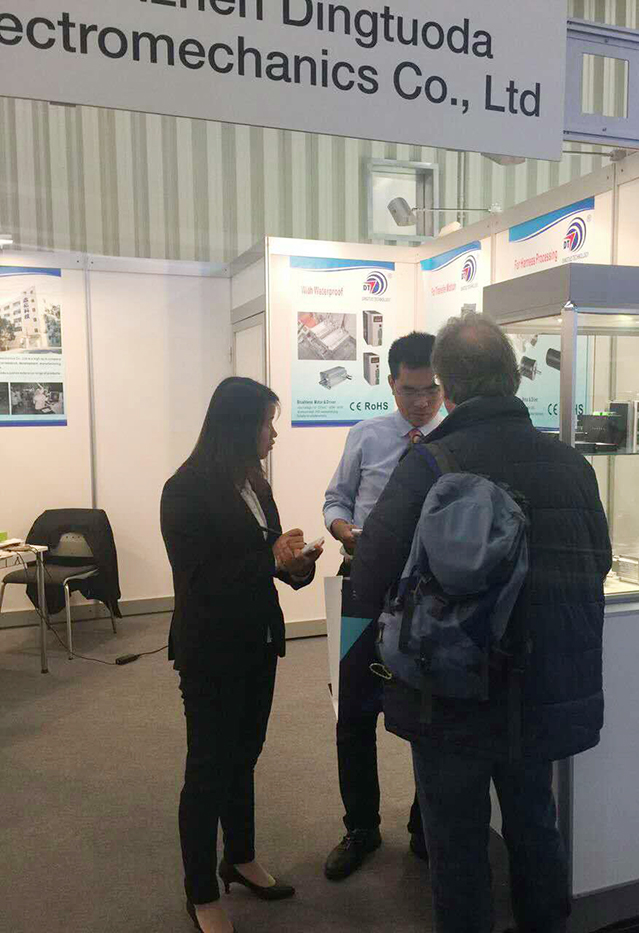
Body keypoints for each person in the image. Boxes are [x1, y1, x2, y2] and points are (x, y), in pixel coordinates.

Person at [352, 313, 612, 933]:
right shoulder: (570, 464)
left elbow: (370, 572)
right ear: (514, 378)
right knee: (535, 824)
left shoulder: (430, 463)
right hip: (542, 685)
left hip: (451, 687)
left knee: (457, 843)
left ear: (448, 387)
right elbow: (597, 562)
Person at [161, 377, 323, 933]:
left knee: (244, 757)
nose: (273, 434)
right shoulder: (184, 490)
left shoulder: (255, 483)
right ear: (238, 426)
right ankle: (201, 892)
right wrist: (271, 560)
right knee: (208, 769)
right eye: (266, 423)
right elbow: (199, 579)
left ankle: (240, 857)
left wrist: (296, 565)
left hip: (258, 640)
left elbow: (266, 560)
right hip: (211, 649)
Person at [322, 331, 444, 880]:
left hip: (430, 597)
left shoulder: (453, 440)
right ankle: (361, 827)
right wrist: (344, 530)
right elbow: (336, 499)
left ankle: (425, 824)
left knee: (429, 713)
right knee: (353, 713)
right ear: (391, 383)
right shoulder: (366, 435)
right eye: (410, 390)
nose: (421, 402)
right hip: (363, 589)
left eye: (431, 390)